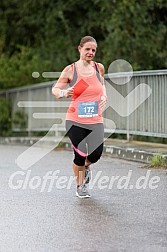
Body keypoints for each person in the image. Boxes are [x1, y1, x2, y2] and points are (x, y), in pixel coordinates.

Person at [52, 35, 107, 198]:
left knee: (96, 154)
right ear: (80, 49)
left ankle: (85, 167)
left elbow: (102, 85)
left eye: (93, 50)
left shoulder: (99, 68)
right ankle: (80, 185)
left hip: (95, 119)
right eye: (87, 49)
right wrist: (63, 92)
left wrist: (104, 96)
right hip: (75, 120)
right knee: (80, 153)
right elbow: (55, 90)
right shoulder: (71, 70)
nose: (90, 52)